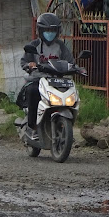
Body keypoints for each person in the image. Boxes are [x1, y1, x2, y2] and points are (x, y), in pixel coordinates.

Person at [19, 12, 74, 140]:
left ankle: (66, 128)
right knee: (33, 92)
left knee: (70, 96)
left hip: (57, 80)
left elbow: (70, 61)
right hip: (38, 79)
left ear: (57, 31)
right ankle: (32, 128)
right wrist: (29, 65)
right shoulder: (34, 46)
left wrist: (75, 68)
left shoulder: (61, 46)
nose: (50, 33)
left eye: (53, 30)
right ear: (40, 30)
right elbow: (24, 62)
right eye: (47, 30)